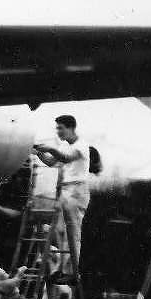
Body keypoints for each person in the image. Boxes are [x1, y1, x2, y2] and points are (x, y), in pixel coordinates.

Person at [32, 114, 92, 275]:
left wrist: (50, 148)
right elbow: (51, 162)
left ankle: (70, 270)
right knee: (59, 230)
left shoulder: (81, 145)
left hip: (77, 190)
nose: (58, 131)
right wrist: (39, 152)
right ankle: (62, 267)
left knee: (72, 232)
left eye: (61, 128)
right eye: (57, 128)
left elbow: (66, 158)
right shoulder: (66, 145)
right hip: (66, 191)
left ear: (71, 128)